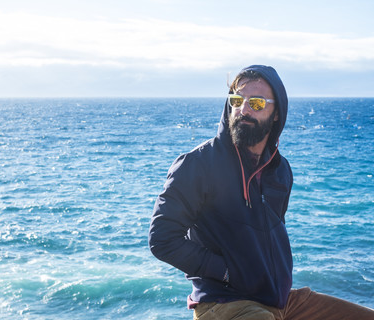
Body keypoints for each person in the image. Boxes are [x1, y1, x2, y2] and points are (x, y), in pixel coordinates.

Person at [148, 65, 374, 319]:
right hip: (222, 303)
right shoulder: (198, 164)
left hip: (279, 300)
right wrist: (226, 272)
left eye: (256, 103)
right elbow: (162, 239)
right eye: (236, 100)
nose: (243, 109)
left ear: (276, 113)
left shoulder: (280, 170)